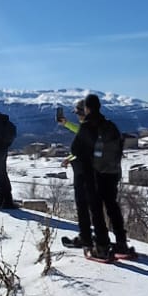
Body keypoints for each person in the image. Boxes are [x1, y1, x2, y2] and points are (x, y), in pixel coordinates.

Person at [74, 94, 131, 261]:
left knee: (96, 209)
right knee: (112, 206)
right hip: (112, 172)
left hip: (95, 174)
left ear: (87, 108)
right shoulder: (110, 125)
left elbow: (75, 149)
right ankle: (121, 243)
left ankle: (102, 247)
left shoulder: (88, 126)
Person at [55, 100, 93, 248]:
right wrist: (66, 123)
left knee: (82, 204)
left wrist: (71, 158)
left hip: (83, 171)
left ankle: (85, 237)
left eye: (78, 114)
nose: (78, 117)